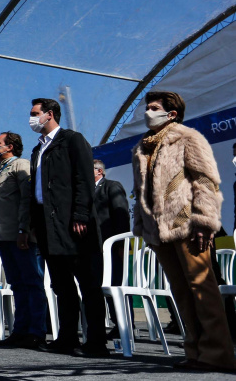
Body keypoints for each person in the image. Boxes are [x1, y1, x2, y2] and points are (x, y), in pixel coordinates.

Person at [132, 91, 236, 372]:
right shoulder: (142, 147)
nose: (147, 112)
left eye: (154, 108)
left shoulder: (188, 138)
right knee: (180, 291)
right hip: (157, 230)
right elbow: (139, 192)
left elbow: (206, 181)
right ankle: (194, 351)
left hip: (187, 224)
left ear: (172, 113)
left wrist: (204, 221)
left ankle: (218, 354)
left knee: (202, 289)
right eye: (147, 107)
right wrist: (141, 225)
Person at [28, 98, 107, 357]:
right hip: (48, 226)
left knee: (88, 284)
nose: (31, 119)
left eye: (35, 113)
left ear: (50, 114)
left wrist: (81, 215)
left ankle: (96, 342)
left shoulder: (72, 140)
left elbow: (83, 179)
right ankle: (67, 337)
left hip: (74, 226)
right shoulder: (37, 149)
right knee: (61, 286)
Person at [0, 132, 46, 348]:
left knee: (31, 282)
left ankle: (36, 332)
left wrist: (24, 228)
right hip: (3, 235)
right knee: (17, 284)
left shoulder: (20, 165)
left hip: (19, 234)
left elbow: (26, 198)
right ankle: (20, 330)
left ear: (10, 146)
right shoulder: (0, 170)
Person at [93, 159, 131, 338]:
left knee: (115, 284)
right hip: (93, 248)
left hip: (111, 247)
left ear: (99, 171)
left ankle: (123, 324)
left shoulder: (111, 186)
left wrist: (121, 244)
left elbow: (121, 216)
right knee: (99, 287)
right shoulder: (85, 191)